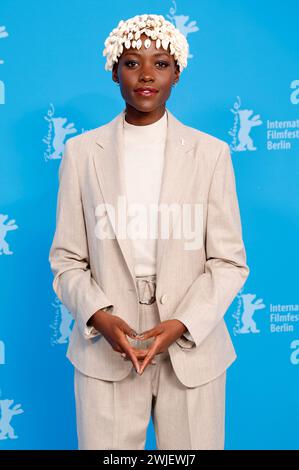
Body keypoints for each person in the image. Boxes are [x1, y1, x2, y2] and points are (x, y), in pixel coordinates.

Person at [49, 13, 249, 450]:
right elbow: (67, 260)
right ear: (114, 70)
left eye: (160, 63)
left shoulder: (210, 154)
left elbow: (229, 262)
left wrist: (181, 323)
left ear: (177, 73)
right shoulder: (81, 154)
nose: (145, 75)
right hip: (107, 345)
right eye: (132, 62)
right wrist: (100, 319)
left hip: (192, 344)